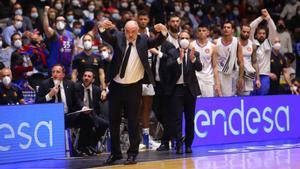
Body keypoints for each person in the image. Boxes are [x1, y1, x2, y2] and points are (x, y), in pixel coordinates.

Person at [98, 19, 168, 165]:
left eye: (133, 32)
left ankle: (132, 154)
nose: (130, 35)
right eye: (127, 31)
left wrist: (163, 30)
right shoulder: (118, 37)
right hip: (116, 86)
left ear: (138, 31)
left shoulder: (144, 40)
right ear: (124, 30)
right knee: (114, 121)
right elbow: (105, 36)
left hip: (134, 88)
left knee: (133, 122)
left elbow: (159, 40)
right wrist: (102, 28)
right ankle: (115, 153)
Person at [167, 30, 202, 154]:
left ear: (190, 39)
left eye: (187, 37)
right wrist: (179, 60)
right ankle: (178, 143)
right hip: (176, 89)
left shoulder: (195, 53)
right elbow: (168, 67)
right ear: (178, 39)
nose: (184, 40)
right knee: (177, 119)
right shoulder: (172, 53)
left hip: (190, 90)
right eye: (182, 37)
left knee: (189, 119)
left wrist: (193, 60)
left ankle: (188, 144)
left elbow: (199, 67)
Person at [74, 70, 109, 156]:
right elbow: (77, 101)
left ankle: (91, 145)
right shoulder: (77, 87)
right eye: (85, 76)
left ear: (93, 80)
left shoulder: (96, 89)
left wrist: (105, 92)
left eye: (89, 76)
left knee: (105, 124)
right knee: (87, 120)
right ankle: (81, 147)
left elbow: (103, 100)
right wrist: (84, 108)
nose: (86, 78)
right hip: (79, 113)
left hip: (93, 114)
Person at [250, 9, 277, 95]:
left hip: (265, 75)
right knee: (251, 98)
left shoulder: (268, 42)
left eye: (263, 33)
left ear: (266, 35)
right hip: (252, 75)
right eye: (259, 33)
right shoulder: (252, 42)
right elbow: (251, 26)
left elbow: (274, 29)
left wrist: (268, 17)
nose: (261, 35)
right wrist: (261, 17)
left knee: (263, 98)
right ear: (256, 34)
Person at [72, 33, 107, 100]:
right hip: (81, 87)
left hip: (95, 87)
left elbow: (101, 74)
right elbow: (74, 74)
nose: (87, 42)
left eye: (89, 40)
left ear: (92, 42)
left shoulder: (99, 57)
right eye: (85, 41)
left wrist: (103, 89)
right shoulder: (77, 57)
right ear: (82, 43)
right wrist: (73, 89)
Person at [191, 24, 221, 97]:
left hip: (208, 78)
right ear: (197, 33)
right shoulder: (191, 45)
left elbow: (215, 66)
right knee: (196, 102)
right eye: (199, 30)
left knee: (208, 103)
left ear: (208, 32)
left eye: (204, 30)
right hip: (195, 78)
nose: (201, 32)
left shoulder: (213, 47)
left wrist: (217, 83)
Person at [215, 21, 244, 96]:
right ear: (221, 30)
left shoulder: (237, 42)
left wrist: (240, 78)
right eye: (224, 27)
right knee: (217, 96)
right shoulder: (216, 42)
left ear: (232, 30)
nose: (226, 29)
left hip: (232, 73)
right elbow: (213, 62)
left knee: (229, 97)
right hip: (219, 73)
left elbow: (241, 62)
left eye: (228, 27)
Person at [43, 6, 74, 75]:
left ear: (65, 23)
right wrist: (45, 13)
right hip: (54, 68)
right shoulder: (53, 33)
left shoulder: (71, 35)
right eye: (58, 21)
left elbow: (73, 48)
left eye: (62, 21)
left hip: (66, 68)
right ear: (55, 23)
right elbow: (46, 28)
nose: (60, 22)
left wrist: (71, 62)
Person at [238, 24, 261, 96]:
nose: (245, 34)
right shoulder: (234, 42)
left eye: (248, 32)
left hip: (247, 75)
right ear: (240, 31)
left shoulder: (252, 45)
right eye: (244, 31)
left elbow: (254, 62)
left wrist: (258, 79)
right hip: (235, 74)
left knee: (246, 97)